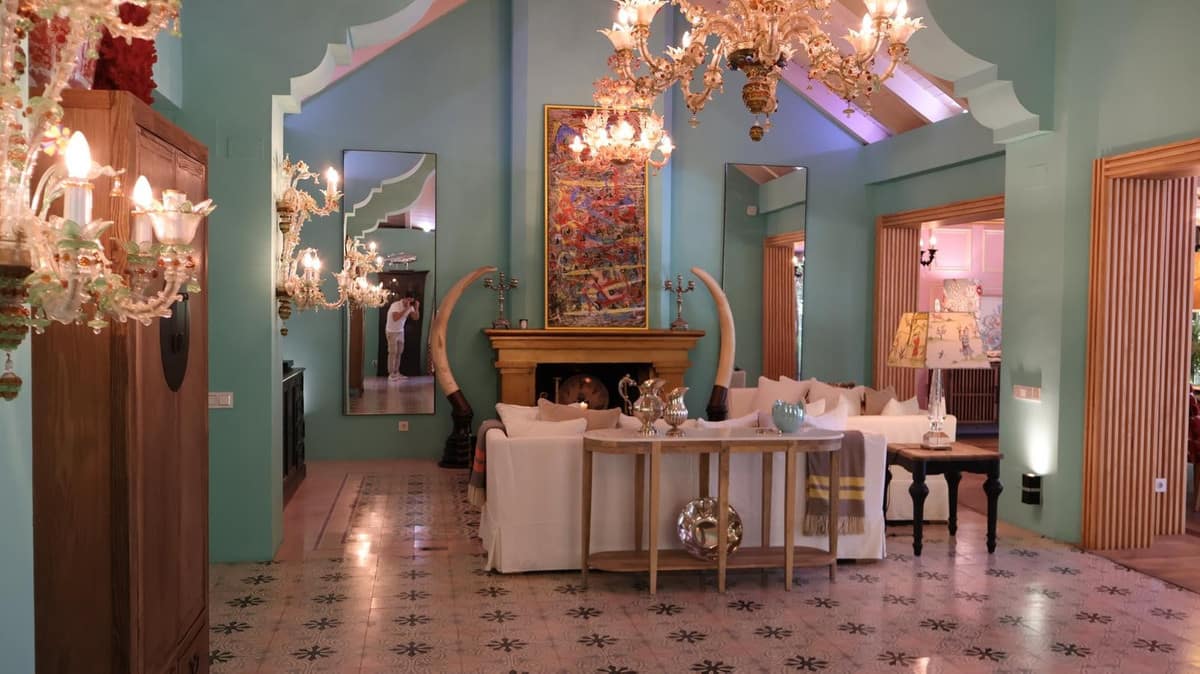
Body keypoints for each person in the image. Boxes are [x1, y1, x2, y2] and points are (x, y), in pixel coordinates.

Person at [385, 296, 420, 381]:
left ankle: (396, 372)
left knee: (399, 352)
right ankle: (391, 374)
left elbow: (416, 318)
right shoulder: (395, 305)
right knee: (393, 352)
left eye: (411, 300)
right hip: (391, 331)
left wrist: (416, 308)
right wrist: (406, 308)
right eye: (408, 300)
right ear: (404, 298)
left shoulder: (410, 307)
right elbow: (395, 318)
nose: (409, 302)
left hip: (400, 331)